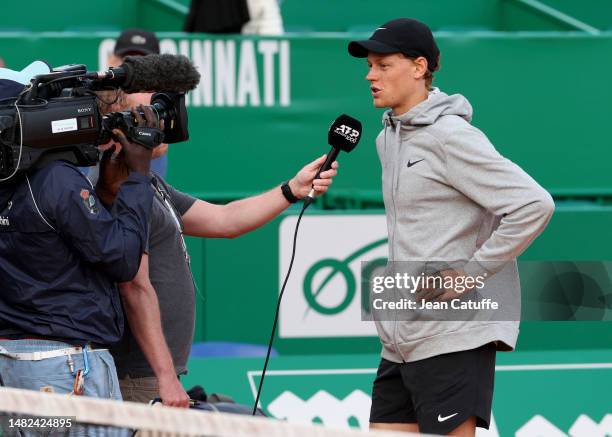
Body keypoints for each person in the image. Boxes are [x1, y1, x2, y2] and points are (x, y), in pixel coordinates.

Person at [348, 18, 555, 436]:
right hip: (400, 340)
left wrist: (469, 276)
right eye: (369, 65)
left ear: (420, 67)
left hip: (454, 336)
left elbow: (534, 203)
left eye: (383, 65)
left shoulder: (451, 136)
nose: (370, 75)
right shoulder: (386, 137)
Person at [93, 90, 339, 406]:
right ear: (120, 128)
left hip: (154, 374)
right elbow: (133, 286)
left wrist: (292, 189)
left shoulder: (148, 183)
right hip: (140, 377)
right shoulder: (120, 191)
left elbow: (225, 220)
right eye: (148, 114)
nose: (163, 120)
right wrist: (166, 377)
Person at [0, 78, 156, 401]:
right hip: (67, 370)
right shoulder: (57, 179)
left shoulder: (20, 180)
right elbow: (123, 259)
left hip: (14, 368)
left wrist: (104, 194)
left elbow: (54, 250)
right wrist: (139, 175)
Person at [108, 29, 169, 178]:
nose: (135, 68)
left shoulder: (159, 104)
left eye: (144, 62)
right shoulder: (101, 100)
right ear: (112, 61)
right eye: (128, 60)